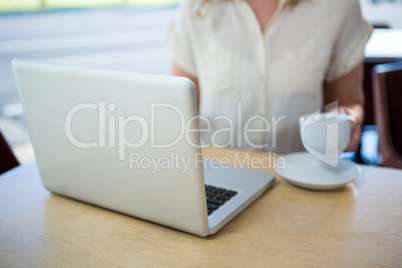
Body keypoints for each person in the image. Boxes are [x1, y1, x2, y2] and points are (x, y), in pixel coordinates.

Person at [166, 0, 373, 154]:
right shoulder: (194, 8)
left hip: (303, 182)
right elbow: (178, 113)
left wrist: (349, 121)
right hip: (218, 180)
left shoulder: (338, 7)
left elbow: (348, 102)